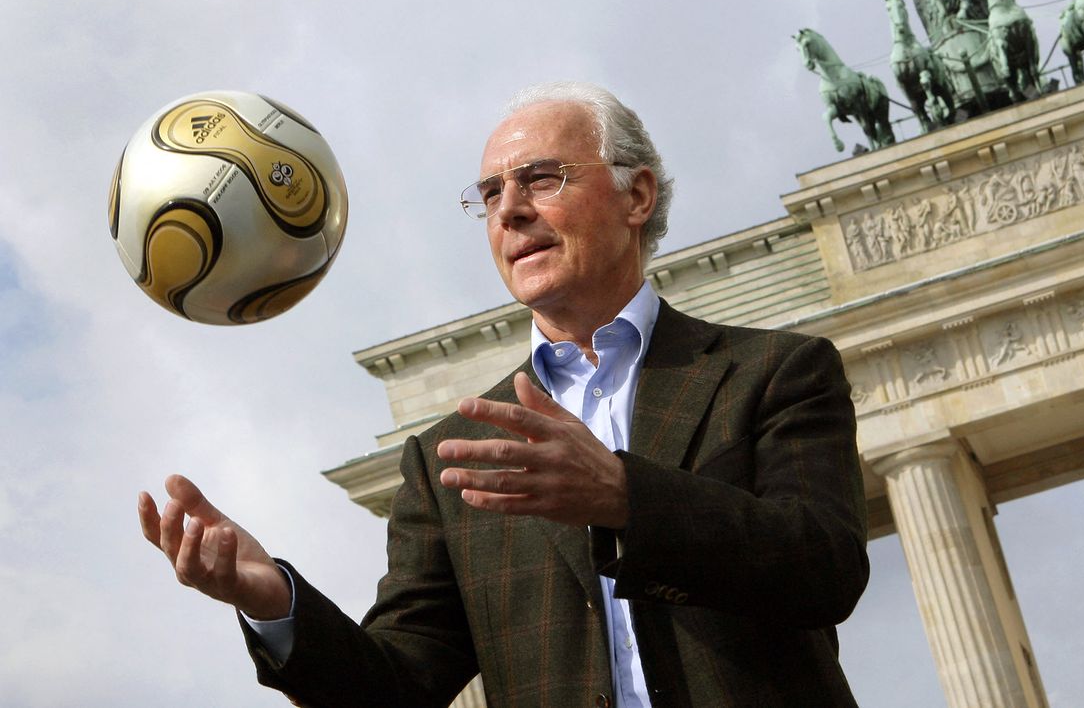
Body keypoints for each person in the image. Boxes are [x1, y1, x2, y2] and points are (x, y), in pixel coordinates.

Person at [139, 82, 870, 707]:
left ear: (636, 194)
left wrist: (623, 497)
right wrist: (274, 603)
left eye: (542, 178)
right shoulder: (448, 458)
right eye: (490, 194)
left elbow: (823, 570)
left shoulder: (775, 372)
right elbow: (398, 687)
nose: (509, 211)